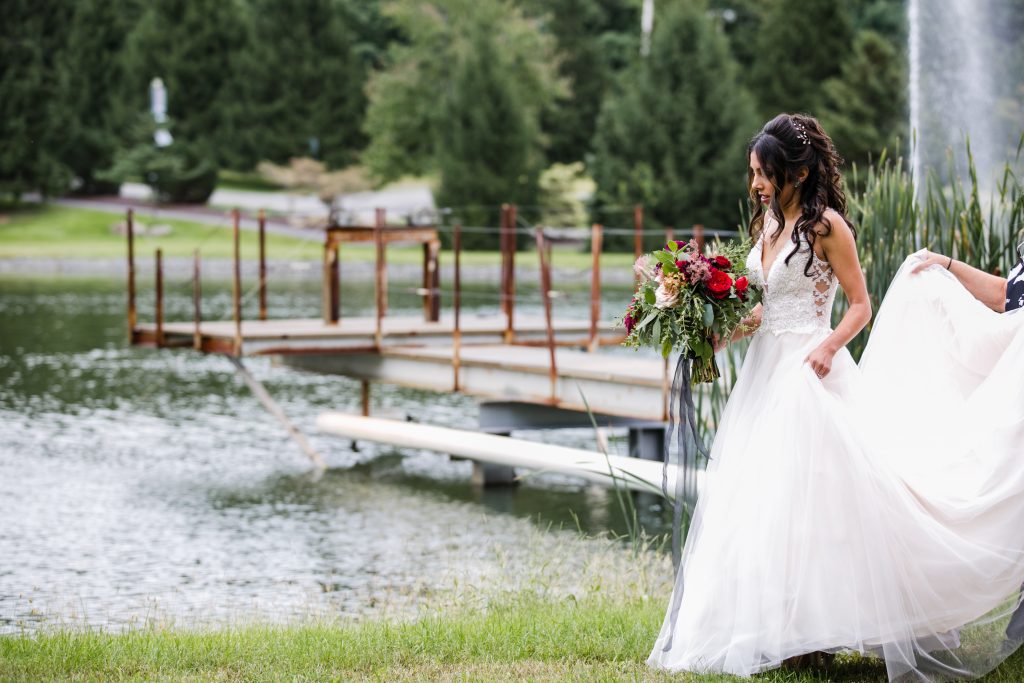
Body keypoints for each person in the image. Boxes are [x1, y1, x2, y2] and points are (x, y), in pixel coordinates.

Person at [647, 113, 1024, 682]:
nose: (755, 184)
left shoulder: (827, 228)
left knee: (822, 502)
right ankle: (784, 628)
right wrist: (718, 335)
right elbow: (765, 309)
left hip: (813, 374)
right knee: (764, 497)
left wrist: (828, 347)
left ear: (796, 171)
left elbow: (859, 305)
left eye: (763, 173)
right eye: (752, 173)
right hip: (765, 372)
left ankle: (819, 632)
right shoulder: (768, 226)